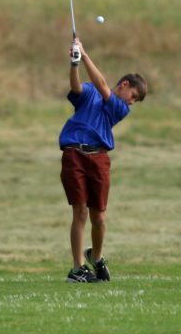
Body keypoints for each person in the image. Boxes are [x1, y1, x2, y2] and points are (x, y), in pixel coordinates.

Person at [59, 38, 147, 283]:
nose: (132, 102)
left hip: (99, 158)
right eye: (133, 96)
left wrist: (85, 54)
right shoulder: (90, 92)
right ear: (125, 84)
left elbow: (102, 84)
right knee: (80, 212)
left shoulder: (120, 108)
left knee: (99, 216)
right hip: (74, 153)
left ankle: (96, 257)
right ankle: (77, 268)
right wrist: (75, 63)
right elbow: (76, 87)